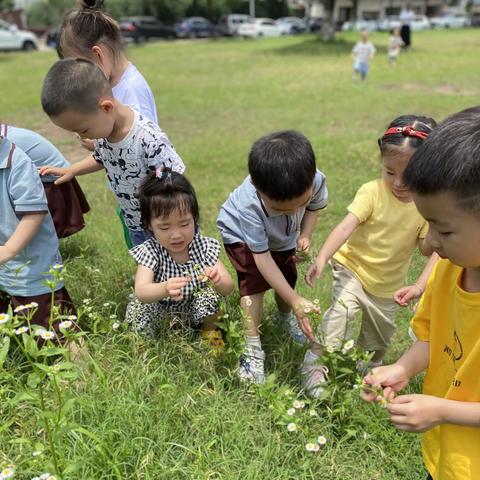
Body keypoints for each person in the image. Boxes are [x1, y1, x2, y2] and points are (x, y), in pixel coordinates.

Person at [362, 106, 480, 479]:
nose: (428, 245)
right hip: (447, 458)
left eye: (443, 231)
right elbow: (435, 340)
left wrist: (443, 411)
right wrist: (403, 367)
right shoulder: (448, 270)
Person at [303, 115, 435, 398]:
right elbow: (346, 225)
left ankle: (371, 365)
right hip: (353, 268)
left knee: (381, 336)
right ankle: (316, 360)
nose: (398, 183)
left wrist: (420, 285)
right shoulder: (372, 192)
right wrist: (323, 256)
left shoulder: (426, 207)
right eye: (390, 172)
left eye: (409, 175)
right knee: (344, 310)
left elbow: (429, 250)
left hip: (387, 284)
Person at [217, 130, 328, 384]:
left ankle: (285, 317)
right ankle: (252, 349)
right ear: (258, 188)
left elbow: (314, 207)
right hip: (242, 236)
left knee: (287, 278)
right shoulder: (249, 205)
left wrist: (305, 234)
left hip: (282, 237)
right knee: (253, 287)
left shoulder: (314, 180)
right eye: (280, 209)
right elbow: (262, 259)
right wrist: (296, 299)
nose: (293, 212)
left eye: (299, 204)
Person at [39, 58, 185, 248]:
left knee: (179, 272)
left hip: (167, 227)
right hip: (137, 224)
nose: (81, 135)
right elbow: (102, 157)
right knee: (150, 273)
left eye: (83, 130)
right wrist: (72, 170)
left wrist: (166, 220)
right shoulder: (106, 134)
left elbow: (174, 180)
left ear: (106, 107)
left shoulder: (147, 139)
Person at [126, 170, 234, 352]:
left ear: (195, 219)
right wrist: (164, 288)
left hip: (192, 310)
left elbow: (229, 288)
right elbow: (141, 291)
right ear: (149, 225)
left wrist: (217, 280)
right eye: (165, 227)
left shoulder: (203, 246)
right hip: (161, 310)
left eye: (184, 224)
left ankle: (211, 338)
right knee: (140, 309)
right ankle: (144, 350)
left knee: (212, 298)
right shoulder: (152, 250)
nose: (176, 235)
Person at [0, 136, 75, 332]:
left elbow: (33, 214)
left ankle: (79, 359)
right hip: (5, 266)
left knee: (54, 327)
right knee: (11, 328)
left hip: (29, 265)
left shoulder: (17, 163)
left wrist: (8, 250)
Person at [57, 0, 157, 125]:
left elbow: (145, 142)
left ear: (98, 55)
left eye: (83, 72)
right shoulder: (111, 85)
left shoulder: (132, 91)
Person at [0, 123, 90, 238]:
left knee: (38, 233)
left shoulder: (8, 141)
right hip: (50, 177)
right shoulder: (6, 133)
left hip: (52, 183)